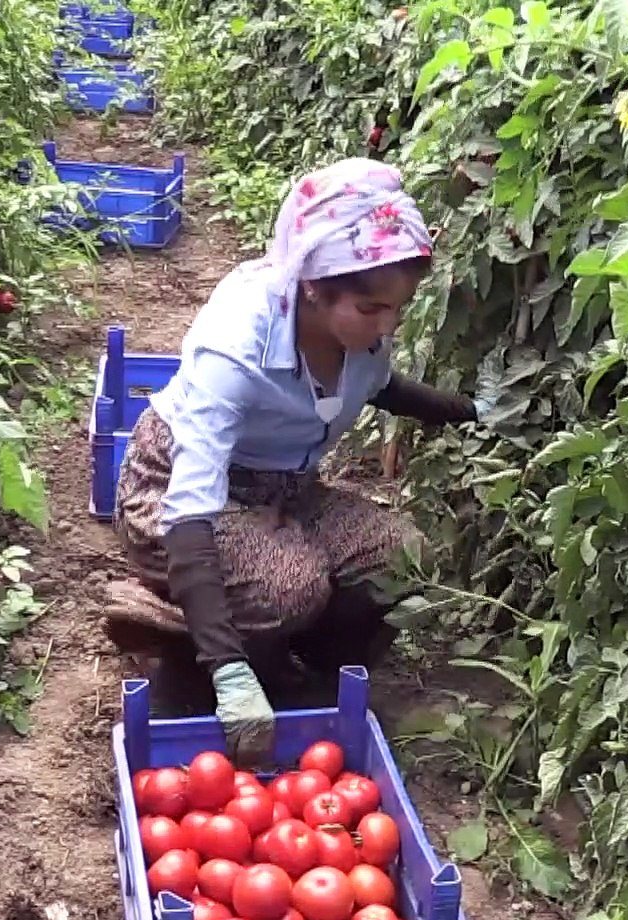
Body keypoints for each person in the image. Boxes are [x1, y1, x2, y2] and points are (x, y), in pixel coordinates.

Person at [109, 158, 493, 753]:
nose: (388, 324)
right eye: (372, 309)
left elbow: (379, 384)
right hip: (174, 489)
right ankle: (195, 647)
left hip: (288, 489)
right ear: (314, 286)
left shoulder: (358, 330)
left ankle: (296, 668)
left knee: (400, 560)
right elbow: (189, 509)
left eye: (400, 307)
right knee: (288, 587)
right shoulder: (236, 347)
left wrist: (469, 410)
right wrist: (229, 671)